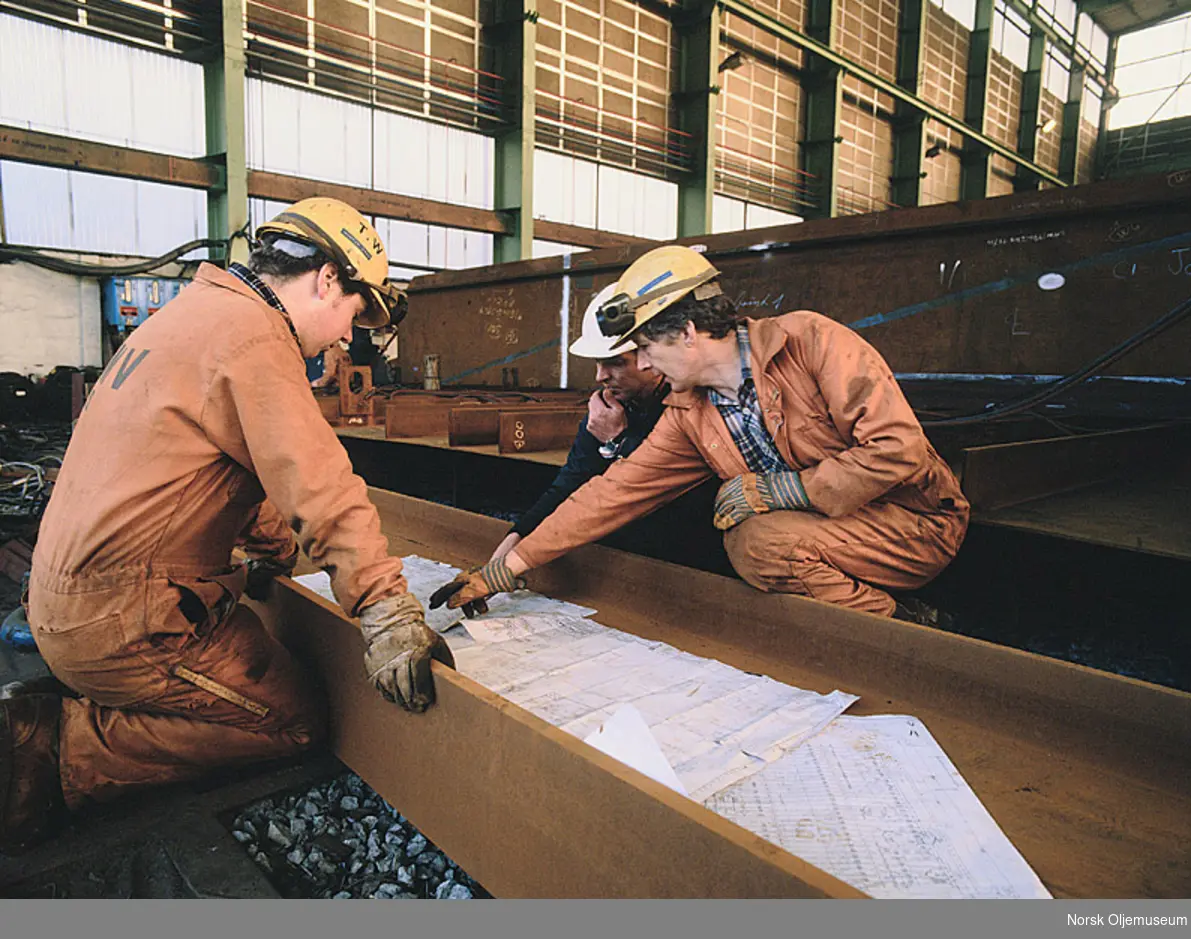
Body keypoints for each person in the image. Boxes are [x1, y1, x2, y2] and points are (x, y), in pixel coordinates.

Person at [2, 197, 453, 853]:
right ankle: (47, 752)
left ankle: (62, 706)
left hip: (67, 601)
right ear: (328, 279)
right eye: (355, 313)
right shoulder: (253, 339)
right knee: (290, 719)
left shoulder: (191, 317)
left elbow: (232, 469)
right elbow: (320, 481)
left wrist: (276, 552)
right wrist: (385, 608)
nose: (346, 336)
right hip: (123, 620)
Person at [433, 244, 969, 622]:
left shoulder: (811, 343)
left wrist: (784, 489)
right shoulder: (690, 410)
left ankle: (898, 624)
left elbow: (898, 449)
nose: (642, 362)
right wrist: (502, 571)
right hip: (830, 532)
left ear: (687, 333)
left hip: (915, 522)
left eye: (645, 348)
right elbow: (609, 494)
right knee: (755, 541)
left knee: (756, 540)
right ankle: (899, 617)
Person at [489, 284, 669, 563]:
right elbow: (571, 481)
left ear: (652, 356)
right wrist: (517, 537)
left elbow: (670, 492)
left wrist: (618, 441)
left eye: (614, 362)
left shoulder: (684, 409)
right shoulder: (609, 408)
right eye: (598, 362)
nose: (600, 376)